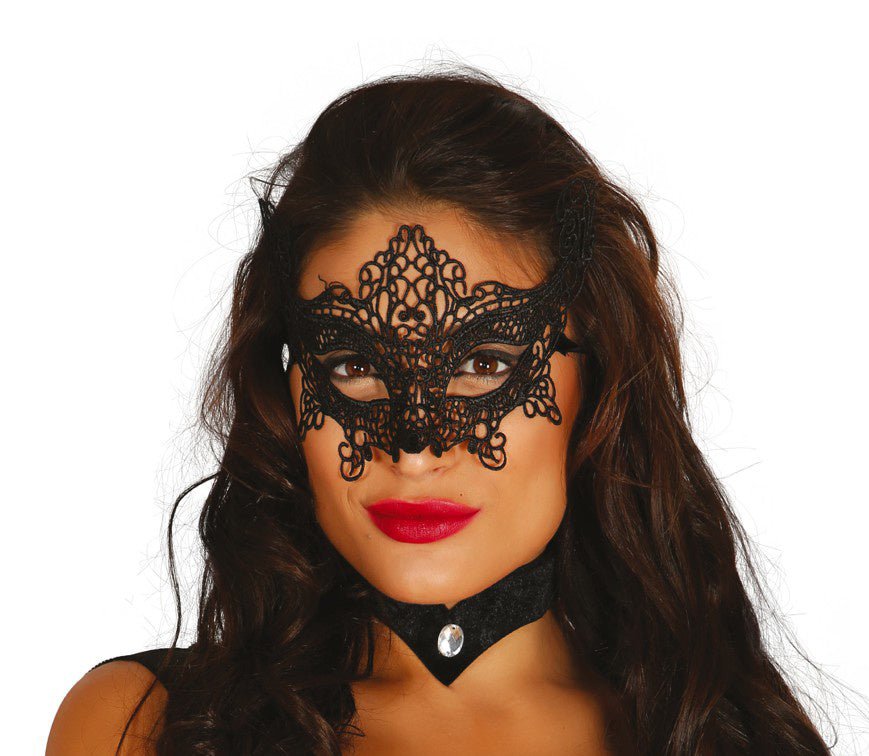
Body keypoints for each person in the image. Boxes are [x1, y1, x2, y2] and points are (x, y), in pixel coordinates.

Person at [46, 67, 833, 755]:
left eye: (483, 364)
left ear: (592, 386)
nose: (415, 446)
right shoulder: (148, 727)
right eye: (354, 366)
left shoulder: (719, 737)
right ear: (286, 391)